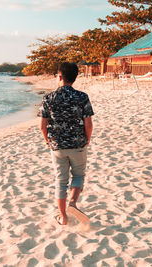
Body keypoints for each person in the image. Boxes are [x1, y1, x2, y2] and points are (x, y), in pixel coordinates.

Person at [39, 62, 94, 225]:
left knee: (60, 181)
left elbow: (42, 125)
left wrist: (47, 141)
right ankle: (73, 203)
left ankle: (63, 217)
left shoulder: (48, 98)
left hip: (57, 146)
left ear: (60, 77)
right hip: (78, 144)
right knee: (78, 175)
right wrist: (87, 139)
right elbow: (88, 123)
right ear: (74, 78)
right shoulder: (82, 97)